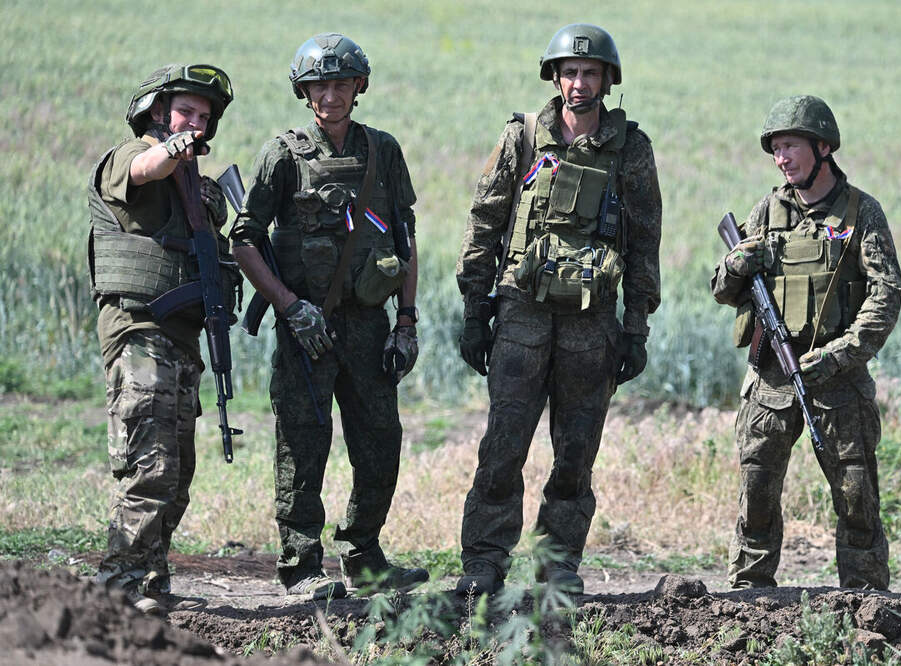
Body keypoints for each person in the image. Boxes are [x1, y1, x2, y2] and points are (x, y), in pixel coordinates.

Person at [454, 24, 662, 596]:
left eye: (590, 73)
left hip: (592, 322)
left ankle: (557, 564)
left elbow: (645, 240)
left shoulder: (631, 148)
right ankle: (484, 561)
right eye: (570, 72)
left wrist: (636, 327)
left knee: (575, 455)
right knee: (503, 447)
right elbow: (485, 222)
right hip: (520, 314)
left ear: (608, 81)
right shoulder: (522, 138)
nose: (579, 83)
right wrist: (474, 312)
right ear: (555, 78)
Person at [231, 33, 426, 599]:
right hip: (306, 331)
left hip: (368, 326)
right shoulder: (283, 155)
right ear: (304, 90)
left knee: (381, 443)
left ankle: (364, 557)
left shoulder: (382, 151)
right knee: (302, 445)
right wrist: (290, 307)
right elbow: (243, 240)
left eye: (342, 84)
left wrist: (406, 323)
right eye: (319, 85)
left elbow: (406, 240)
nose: (331, 95)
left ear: (359, 86)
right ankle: (301, 565)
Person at [711, 95, 901, 590]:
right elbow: (722, 291)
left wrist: (842, 355)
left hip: (837, 377)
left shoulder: (860, 212)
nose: (781, 158)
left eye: (790, 146)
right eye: (775, 149)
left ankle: (865, 597)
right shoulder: (766, 211)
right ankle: (749, 594)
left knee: (856, 494)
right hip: (772, 377)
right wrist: (734, 265)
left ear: (822, 148)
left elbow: (885, 294)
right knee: (756, 488)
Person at [88, 63, 238, 614]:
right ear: (157, 112)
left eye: (204, 117)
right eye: (185, 112)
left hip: (181, 338)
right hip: (139, 330)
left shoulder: (196, 189)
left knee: (176, 473)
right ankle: (119, 584)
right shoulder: (133, 155)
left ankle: (150, 577)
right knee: (148, 465)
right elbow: (147, 167)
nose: (196, 124)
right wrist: (174, 147)